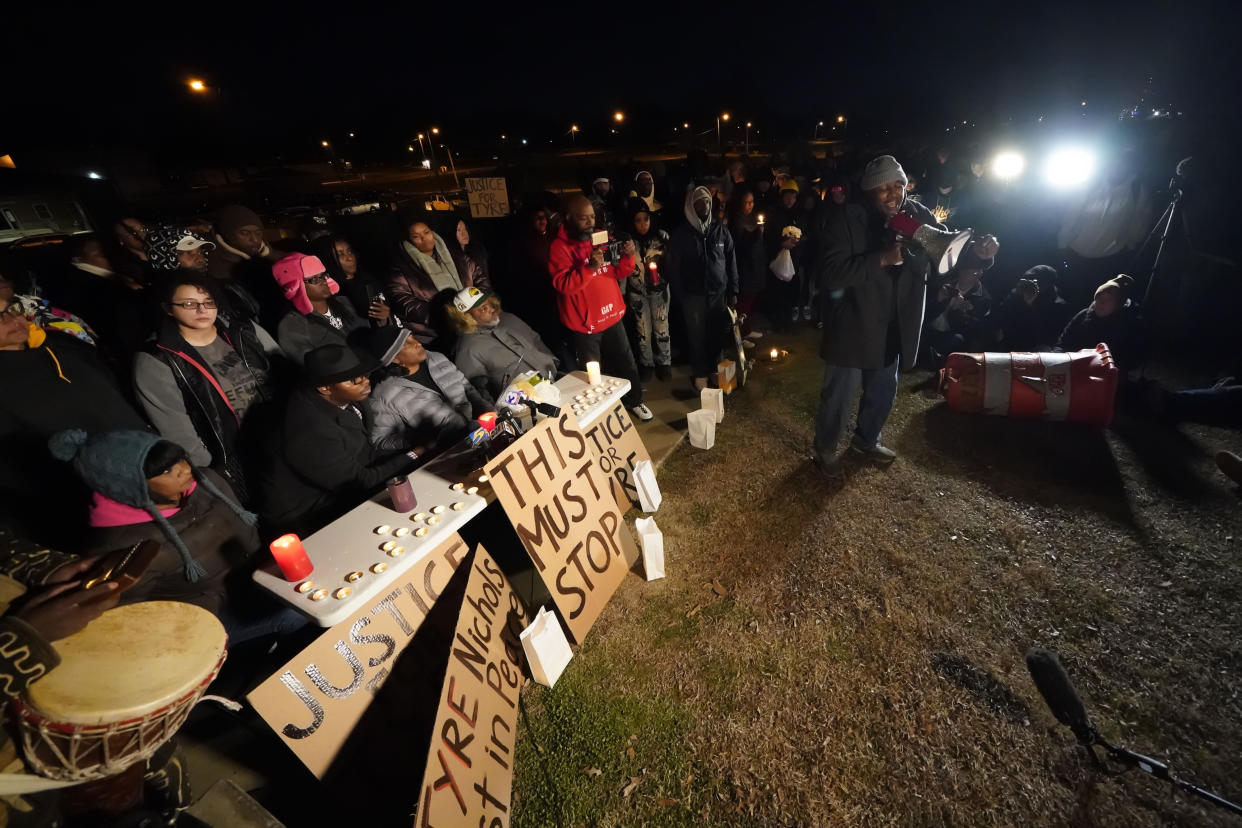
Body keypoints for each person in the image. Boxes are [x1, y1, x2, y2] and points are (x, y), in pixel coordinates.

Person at [814, 155, 997, 477]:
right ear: (869, 191)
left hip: (895, 323)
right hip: (854, 322)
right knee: (839, 396)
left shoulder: (917, 214)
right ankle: (826, 448)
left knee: (883, 391)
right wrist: (881, 259)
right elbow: (831, 273)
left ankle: (866, 441)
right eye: (882, 188)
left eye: (897, 185)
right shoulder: (848, 218)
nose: (892, 194)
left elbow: (946, 255)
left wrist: (979, 257)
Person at [49, 429, 302, 642]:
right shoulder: (121, 543)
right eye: (167, 471)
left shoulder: (207, 482)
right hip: (209, 616)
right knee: (295, 614)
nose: (183, 470)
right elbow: (136, 614)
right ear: (132, 485)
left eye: (179, 460)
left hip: (258, 575)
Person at [0, 305, 147, 545]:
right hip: (99, 502)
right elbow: (17, 466)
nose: (11, 319)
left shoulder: (57, 347)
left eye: (10, 310)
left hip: (150, 464)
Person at [133, 273, 284, 502]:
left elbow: (286, 372)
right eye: (189, 304)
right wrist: (214, 473)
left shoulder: (243, 331)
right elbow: (177, 430)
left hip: (284, 435)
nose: (202, 310)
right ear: (168, 308)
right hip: (236, 458)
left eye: (208, 302)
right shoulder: (158, 360)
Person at [258, 344, 416, 536]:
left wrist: (410, 447)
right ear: (325, 387)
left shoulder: (347, 397)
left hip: (343, 487)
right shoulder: (309, 429)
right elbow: (361, 482)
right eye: (355, 379)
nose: (365, 382)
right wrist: (415, 454)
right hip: (310, 518)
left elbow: (366, 453)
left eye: (364, 374)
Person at [548, 195, 652, 420]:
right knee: (592, 374)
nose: (589, 222)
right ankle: (599, 415)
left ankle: (634, 401)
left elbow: (617, 271)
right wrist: (588, 268)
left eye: (592, 217)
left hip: (612, 314)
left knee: (626, 361)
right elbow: (563, 285)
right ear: (569, 218)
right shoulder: (559, 247)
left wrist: (628, 256)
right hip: (585, 325)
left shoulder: (599, 237)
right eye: (583, 218)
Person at [365, 325, 492, 451]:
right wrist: (417, 440)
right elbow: (380, 440)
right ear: (395, 359)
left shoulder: (436, 358)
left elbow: (467, 388)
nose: (418, 343)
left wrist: (485, 408)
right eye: (406, 344)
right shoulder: (384, 394)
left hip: (483, 429)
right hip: (453, 449)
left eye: (412, 337)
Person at [666, 187, 740, 390]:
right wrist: (681, 294)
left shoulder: (720, 230)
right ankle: (700, 374)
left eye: (707, 202)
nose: (704, 206)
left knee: (716, 333)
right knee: (696, 336)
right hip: (693, 295)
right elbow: (674, 268)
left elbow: (731, 260)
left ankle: (717, 370)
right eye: (699, 202)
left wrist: (733, 290)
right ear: (691, 206)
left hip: (718, 293)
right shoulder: (681, 234)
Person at [446, 287, 558, 398]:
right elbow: (479, 390)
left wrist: (552, 362)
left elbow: (536, 340)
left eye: (489, 303)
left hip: (555, 378)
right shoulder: (468, 349)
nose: (491, 309)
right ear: (467, 317)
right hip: (527, 401)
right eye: (483, 308)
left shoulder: (508, 318)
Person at [388, 219, 490, 342]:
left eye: (426, 232)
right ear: (408, 240)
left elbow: (480, 277)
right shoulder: (402, 267)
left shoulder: (454, 254)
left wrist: (476, 304)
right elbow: (403, 301)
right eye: (416, 236)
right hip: (437, 333)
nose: (424, 238)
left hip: (475, 319)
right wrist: (447, 314)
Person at [273, 252, 367, 364]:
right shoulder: (292, 325)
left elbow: (367, 333)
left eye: (323, 275)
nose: (323, 282)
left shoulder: (343, 302)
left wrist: (382, 320)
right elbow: (311, 366)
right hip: (346, 379)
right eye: (314, 279)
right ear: (295, 286)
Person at [922, 242, 997, 360]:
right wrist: (939, 300)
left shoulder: (983, 298)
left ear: (979, 274)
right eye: (964, 268)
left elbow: (974, 331)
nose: (964, 272)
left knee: (956, 339)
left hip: (950, 334)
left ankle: (936, 357)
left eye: (970, 270)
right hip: (931, 329)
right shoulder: (947, 282)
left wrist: (960, 312)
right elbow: (927, 312)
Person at [622, 205, 672, 380]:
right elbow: (624, 270)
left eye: (646, 219)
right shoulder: (628, 243)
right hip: (638, 292)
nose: (643, 224)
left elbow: (671, 264)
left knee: (661, 327)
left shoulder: (661, 238)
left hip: (659, 292)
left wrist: (663, 278)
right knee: (643, 330)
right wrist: (623, 293)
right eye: (638, 220)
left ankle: (664, 362)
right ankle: (647, 363)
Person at [1057, 274, 1144, 369]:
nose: (1102, 302)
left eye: (1109, 299)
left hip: (1102, 374)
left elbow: (1126, 361)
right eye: (1100, 297)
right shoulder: (1083, 315)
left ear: (1118, 304)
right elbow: (1063, 342)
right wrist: (1057, 359)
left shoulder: (1127, 325)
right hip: (1071, 366)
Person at [313, 234, 395, 328]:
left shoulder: (369, 281)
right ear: (328, 259)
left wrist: (385, 318)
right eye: (340, 254)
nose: (350, 258)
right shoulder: (331, 293)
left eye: (349, 251)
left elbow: (389, 318)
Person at [765, 179, 810, 328]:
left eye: (793, 196)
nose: (789, 200)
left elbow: (807, 234)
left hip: (795, 258)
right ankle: (778, 320)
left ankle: (789, 320)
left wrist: (798, 242)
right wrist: (781, 243)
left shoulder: (802, 214)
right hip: (778, 257)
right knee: (778, 289)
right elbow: (769, 235)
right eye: (787, 196)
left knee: (792, 288)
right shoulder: (775, 213)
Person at [728, 188, 768, 340]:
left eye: (751, 202)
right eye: (746, 202)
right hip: (744, 266)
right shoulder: (737, 221)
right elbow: (742, 243)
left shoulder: (752, 218)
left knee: (751, 300)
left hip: (756, 265)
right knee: (742, 301)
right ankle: (740, 336)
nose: (749, 205)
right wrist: (757, 233)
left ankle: (747, 329)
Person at [449, 217, 491, 287]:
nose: (464, 233)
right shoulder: (449, 257)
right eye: (459, 230)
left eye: (465, 229)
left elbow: (485, 275)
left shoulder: (477, 250)